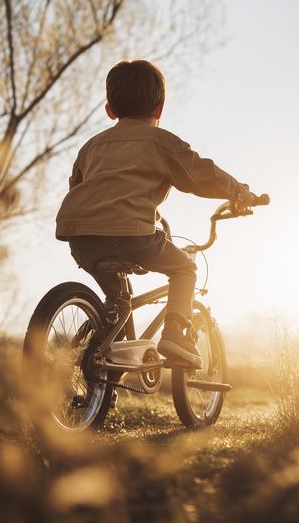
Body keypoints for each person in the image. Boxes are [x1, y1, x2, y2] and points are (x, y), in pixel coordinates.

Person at [55, 60, 258, 369]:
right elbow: (202, 175)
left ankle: (104, 362)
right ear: (160, 108)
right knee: (184, 269)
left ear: (110, 110)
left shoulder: (90, 147)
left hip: (81, 239)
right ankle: (175, 335)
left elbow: (80, 187)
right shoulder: (162, 143)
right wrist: (240, 192)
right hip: (133, 237)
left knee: (118, 301)